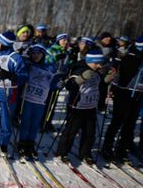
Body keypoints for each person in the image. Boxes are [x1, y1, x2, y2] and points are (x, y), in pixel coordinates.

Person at [55, 48, 105, 164]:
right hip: (76, 106)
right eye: (98, 64)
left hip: (91, 107)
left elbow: (101, 88)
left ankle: (85, 153)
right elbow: (69, 85)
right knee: (71, 131)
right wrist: (81, 78)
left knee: (89, 132)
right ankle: (62, 152)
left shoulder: (97, 72)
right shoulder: (78, 69)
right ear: (91, 61)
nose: (100, 66)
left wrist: (106, 80)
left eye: (101, 64)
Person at [101, 36, 143, 165]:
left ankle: (122, 150)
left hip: (138, 94)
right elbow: (118, 75)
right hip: (123, 93)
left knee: (130, 124)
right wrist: (114, 89)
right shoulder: (129, 57)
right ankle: (107, 148)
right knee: (117, 121)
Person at [17, 44, 57, 160]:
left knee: (35, 124)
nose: (36, 56)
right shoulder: (28, 65)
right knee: (25, 122)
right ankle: (22, 143)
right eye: (33, 53)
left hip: (41, 101)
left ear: (43, 54)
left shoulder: (49, 68)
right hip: (27, 99)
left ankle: (30, 144)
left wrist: (58, 83)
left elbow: (53, 85)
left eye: (38, 53)